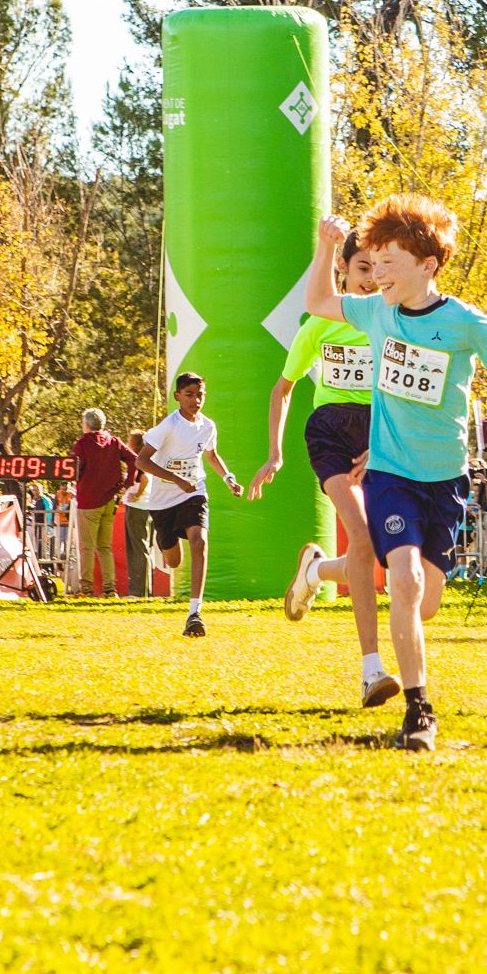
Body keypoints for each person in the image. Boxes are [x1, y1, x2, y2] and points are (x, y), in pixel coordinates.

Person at [300, 196, 487, 751]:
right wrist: (327, 247)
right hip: (389, 473)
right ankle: (419, 710)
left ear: (429, 266)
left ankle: (332, 582)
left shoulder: (466, 322)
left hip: (444, 478)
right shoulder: (375, 311)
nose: (378, 274)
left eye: (390, 262)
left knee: (426, 599)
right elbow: (319, 299)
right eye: (372, 263)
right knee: (405, 580)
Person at [258, 228, 389, 700]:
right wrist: (275, 453)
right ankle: (371, 670)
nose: (372, 278)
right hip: (332, 431)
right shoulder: (319, 324)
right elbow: (283, 388)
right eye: (362, 268)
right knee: (362, 535)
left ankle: (314, 572)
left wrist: (384, 441)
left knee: (373, 548)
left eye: (379, 268)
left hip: (381, 435)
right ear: (343, 269)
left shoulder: (391, 319)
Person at [126, 373, 244, 637]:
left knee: (199, 542)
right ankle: (164, 541)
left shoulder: (208, 426)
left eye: (200, 394)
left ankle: (195, 613)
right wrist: (176, 479)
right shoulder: (168, 426)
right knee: (174, 559)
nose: (196, 400)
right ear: (177, 396)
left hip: (194, 492)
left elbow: (211, 455)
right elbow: (141, 462)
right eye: (189, 395)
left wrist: (228, 478)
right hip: (163, 499)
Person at [68, 408, 138, 597]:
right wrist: (128, 483)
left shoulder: (82, 444)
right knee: (105, 547)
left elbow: (74, 467)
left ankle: (86, 588)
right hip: (109, 499)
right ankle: (109, 589)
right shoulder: (113, 441)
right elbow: (133, 458)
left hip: (89, 499)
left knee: (87, 547)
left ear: (86, 424)